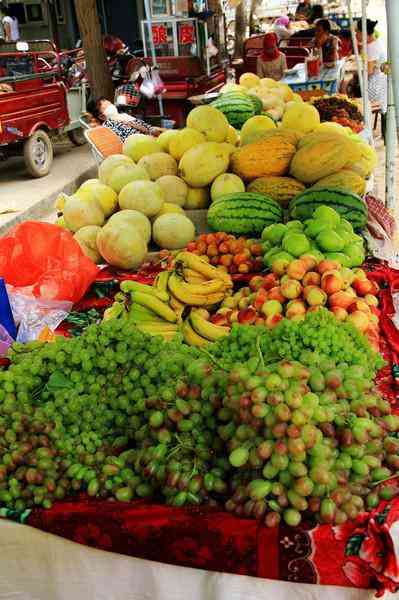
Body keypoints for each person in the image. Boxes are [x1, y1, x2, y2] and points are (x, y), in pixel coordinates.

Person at [356, 19, 387, 139]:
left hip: (377, 87)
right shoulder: (375, 42)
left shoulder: (371, 47)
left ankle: (363, 129)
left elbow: (368, 72)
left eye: (357, 31)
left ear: (363, 32)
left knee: (351, 90)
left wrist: (356, 75)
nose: (356, 35)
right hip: (381, 81)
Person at [86, 97, 160, 142]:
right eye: (107, 107)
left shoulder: (122, 116)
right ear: (102, 116)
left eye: (110, 104)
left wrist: (152, 130)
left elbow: (146, 127)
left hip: (153, 139)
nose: (112, 106)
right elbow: (131, 139)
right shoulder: (110, 125)